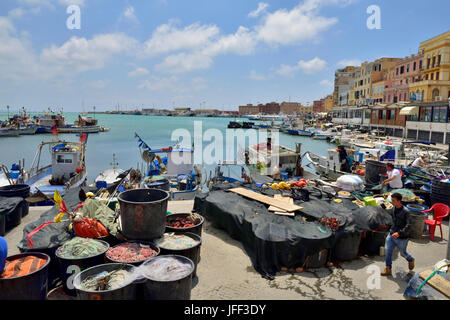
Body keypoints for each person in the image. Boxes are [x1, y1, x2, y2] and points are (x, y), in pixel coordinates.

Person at [381, 193, 415, 276]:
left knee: (403, 253)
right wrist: (383, 208)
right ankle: (388, 268)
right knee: (388, 251)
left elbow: (409, 225)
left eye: (393, 201)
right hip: (391, 234)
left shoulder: (406, 212)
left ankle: (411, 260)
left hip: (401, 238)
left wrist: (399, 233)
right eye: (392, 200)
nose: (392, 202)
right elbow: (390, 214)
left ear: (399, 201)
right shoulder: (393, 208)